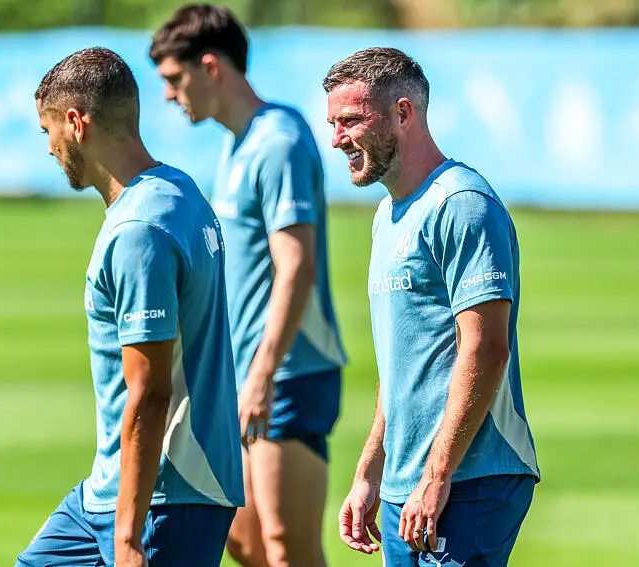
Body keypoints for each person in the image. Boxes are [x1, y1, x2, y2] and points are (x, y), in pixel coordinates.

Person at [18, 47, 243, 567]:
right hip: (109, 491)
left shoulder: (140, 230)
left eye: (48, 130)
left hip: (165, 495)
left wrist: (128, 536)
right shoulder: (178, 189)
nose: (49, 147)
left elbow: (150, 391)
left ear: (76, 123)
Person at [325, 47, 541, 566]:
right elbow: (402, 359)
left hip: (468, 479)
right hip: (407, 484)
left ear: (403, 113)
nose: (337, 139)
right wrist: (372, 467)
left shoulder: (462, 204)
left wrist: (437, 475)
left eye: (350, 121)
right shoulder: (387, 215)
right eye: (333, 124)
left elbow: (485, 348)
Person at [149, 5, 347, 567]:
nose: (168, 94)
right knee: (241, 540)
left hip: (287, 372)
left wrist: (262, 373)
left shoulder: (280, 141)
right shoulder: (236, 142)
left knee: (287, 547)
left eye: (174, 78)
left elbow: (296, 266)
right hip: (239, 371)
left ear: (210, 67)